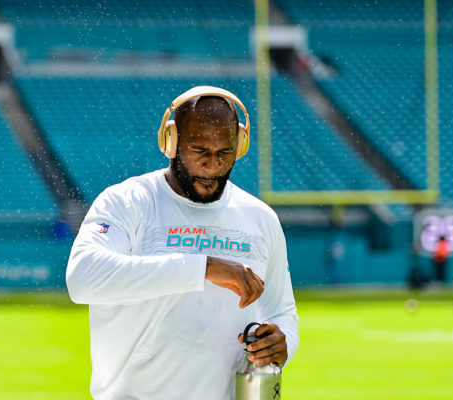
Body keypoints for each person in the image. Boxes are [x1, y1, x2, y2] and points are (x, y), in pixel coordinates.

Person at [66, 86, 299, 399]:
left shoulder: (260, 219)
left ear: (240, 145)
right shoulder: (128, 202)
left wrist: (283, 341)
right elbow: (82, 278)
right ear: (171, 142)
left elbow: (281, 311)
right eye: (200, 150)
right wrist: (203, 268)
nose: (212, 166)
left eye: (225, 152)